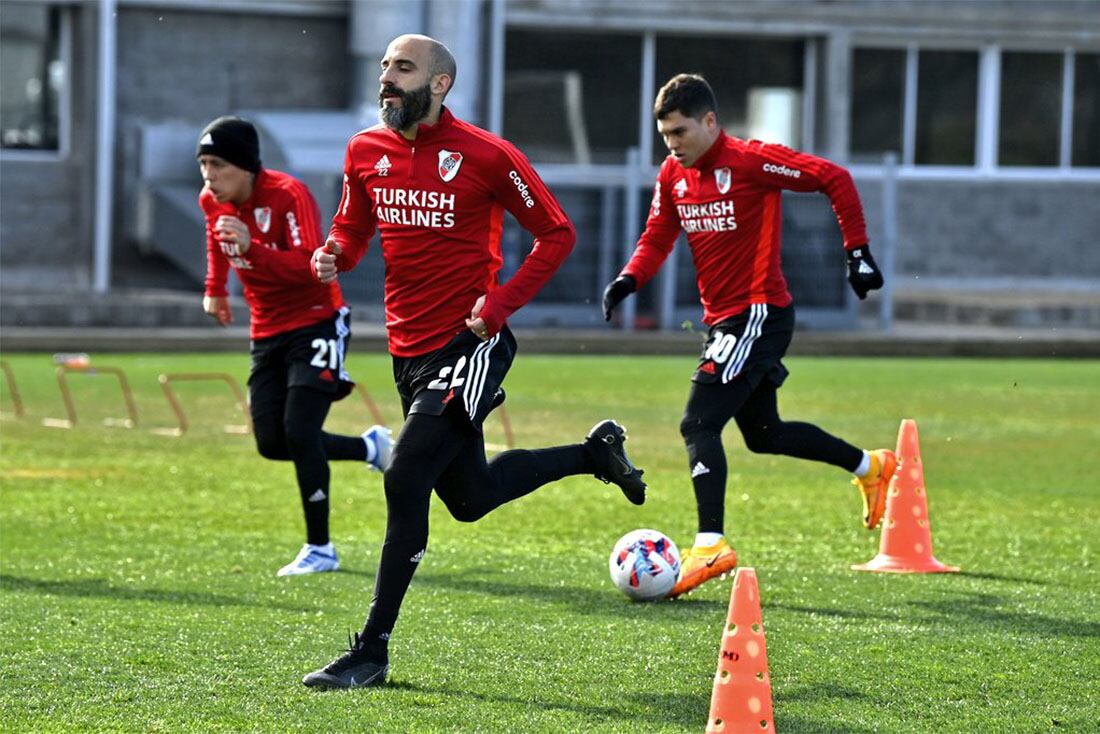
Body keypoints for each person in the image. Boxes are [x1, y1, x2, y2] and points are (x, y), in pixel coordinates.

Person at [300, 34, 647, 689]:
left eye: (401, 69)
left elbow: (557, 232)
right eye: (383, 67)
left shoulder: (487, 155)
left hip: (472, 344)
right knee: (468, 497)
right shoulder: (364, 150)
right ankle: (593, 455)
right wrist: (334, 256)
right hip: (408, 350)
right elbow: (352, 228)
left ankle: (370, 651)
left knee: (404, 479)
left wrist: (500, 304)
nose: (386, 79)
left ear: (439, 85)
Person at [602, 74, 896, 598]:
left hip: (757, 315)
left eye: (680, 132)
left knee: (698, 421)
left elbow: (834, 177)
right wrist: (629, 277)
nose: (672, 144)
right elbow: (658, 236)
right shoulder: (673, 173)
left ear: (711, 122)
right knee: (764, 435)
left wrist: (857, 251)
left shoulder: (752, 161)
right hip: (726, 321)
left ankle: (711, 544)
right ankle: (871, 466)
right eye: (665, 135)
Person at [196, 115, 393, 577]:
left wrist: (255, 247)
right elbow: (215, 239)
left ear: (245, 167)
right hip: (266, 331)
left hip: (317, 321)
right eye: (203, 164)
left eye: (218, 164)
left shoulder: (288, 195)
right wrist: (216, 287)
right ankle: (370, 450)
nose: (209, 176)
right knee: (272, 442)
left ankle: (320, 548)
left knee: (301, 431)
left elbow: (310, 268)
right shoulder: (212, 200)